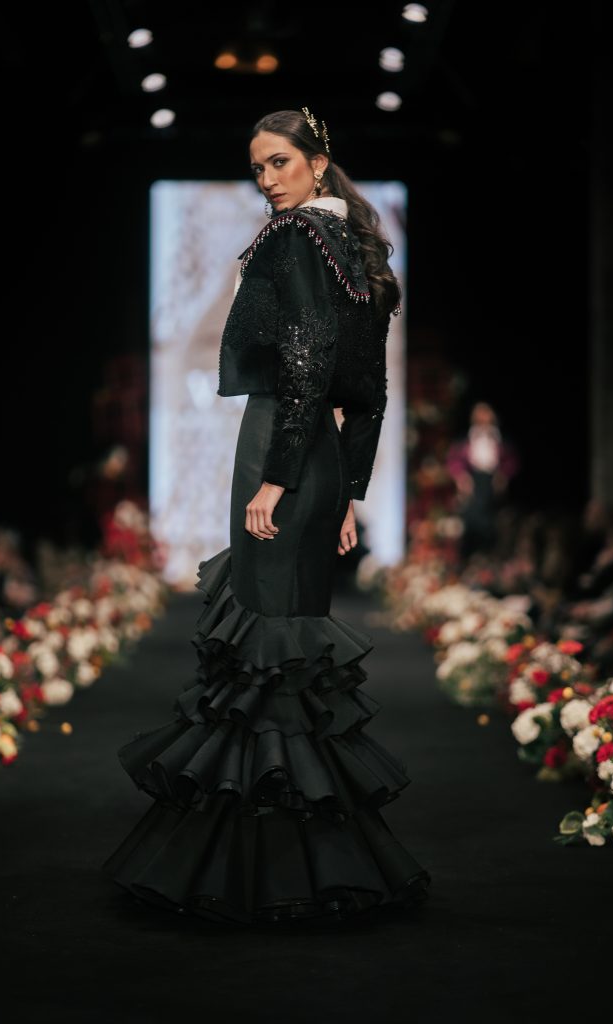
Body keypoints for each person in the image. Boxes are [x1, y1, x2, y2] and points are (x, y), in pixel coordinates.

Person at [102, 107, 432, 924]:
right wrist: (346, 489)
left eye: (279, 161)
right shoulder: (356, 244)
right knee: (287, 654)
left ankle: (263, 868)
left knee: (265, 654)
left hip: (279, 450)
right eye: (257, 166)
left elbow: (308, 364)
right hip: (318, 460)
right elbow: (368, 390)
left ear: (318, 162)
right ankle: (307, 858)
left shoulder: (294, 238)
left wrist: (276, 480)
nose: (266, 179)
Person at [446, 401, 519, 565]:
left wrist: (503, 475)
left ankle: (489, 558)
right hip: (473, 480)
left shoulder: (501, 439)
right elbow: (454, 460)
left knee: (492, 521)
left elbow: (511, 460)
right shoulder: (465, 439)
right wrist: (461, 477)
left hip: (492, 482)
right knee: (471, 518)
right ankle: (471, 558)